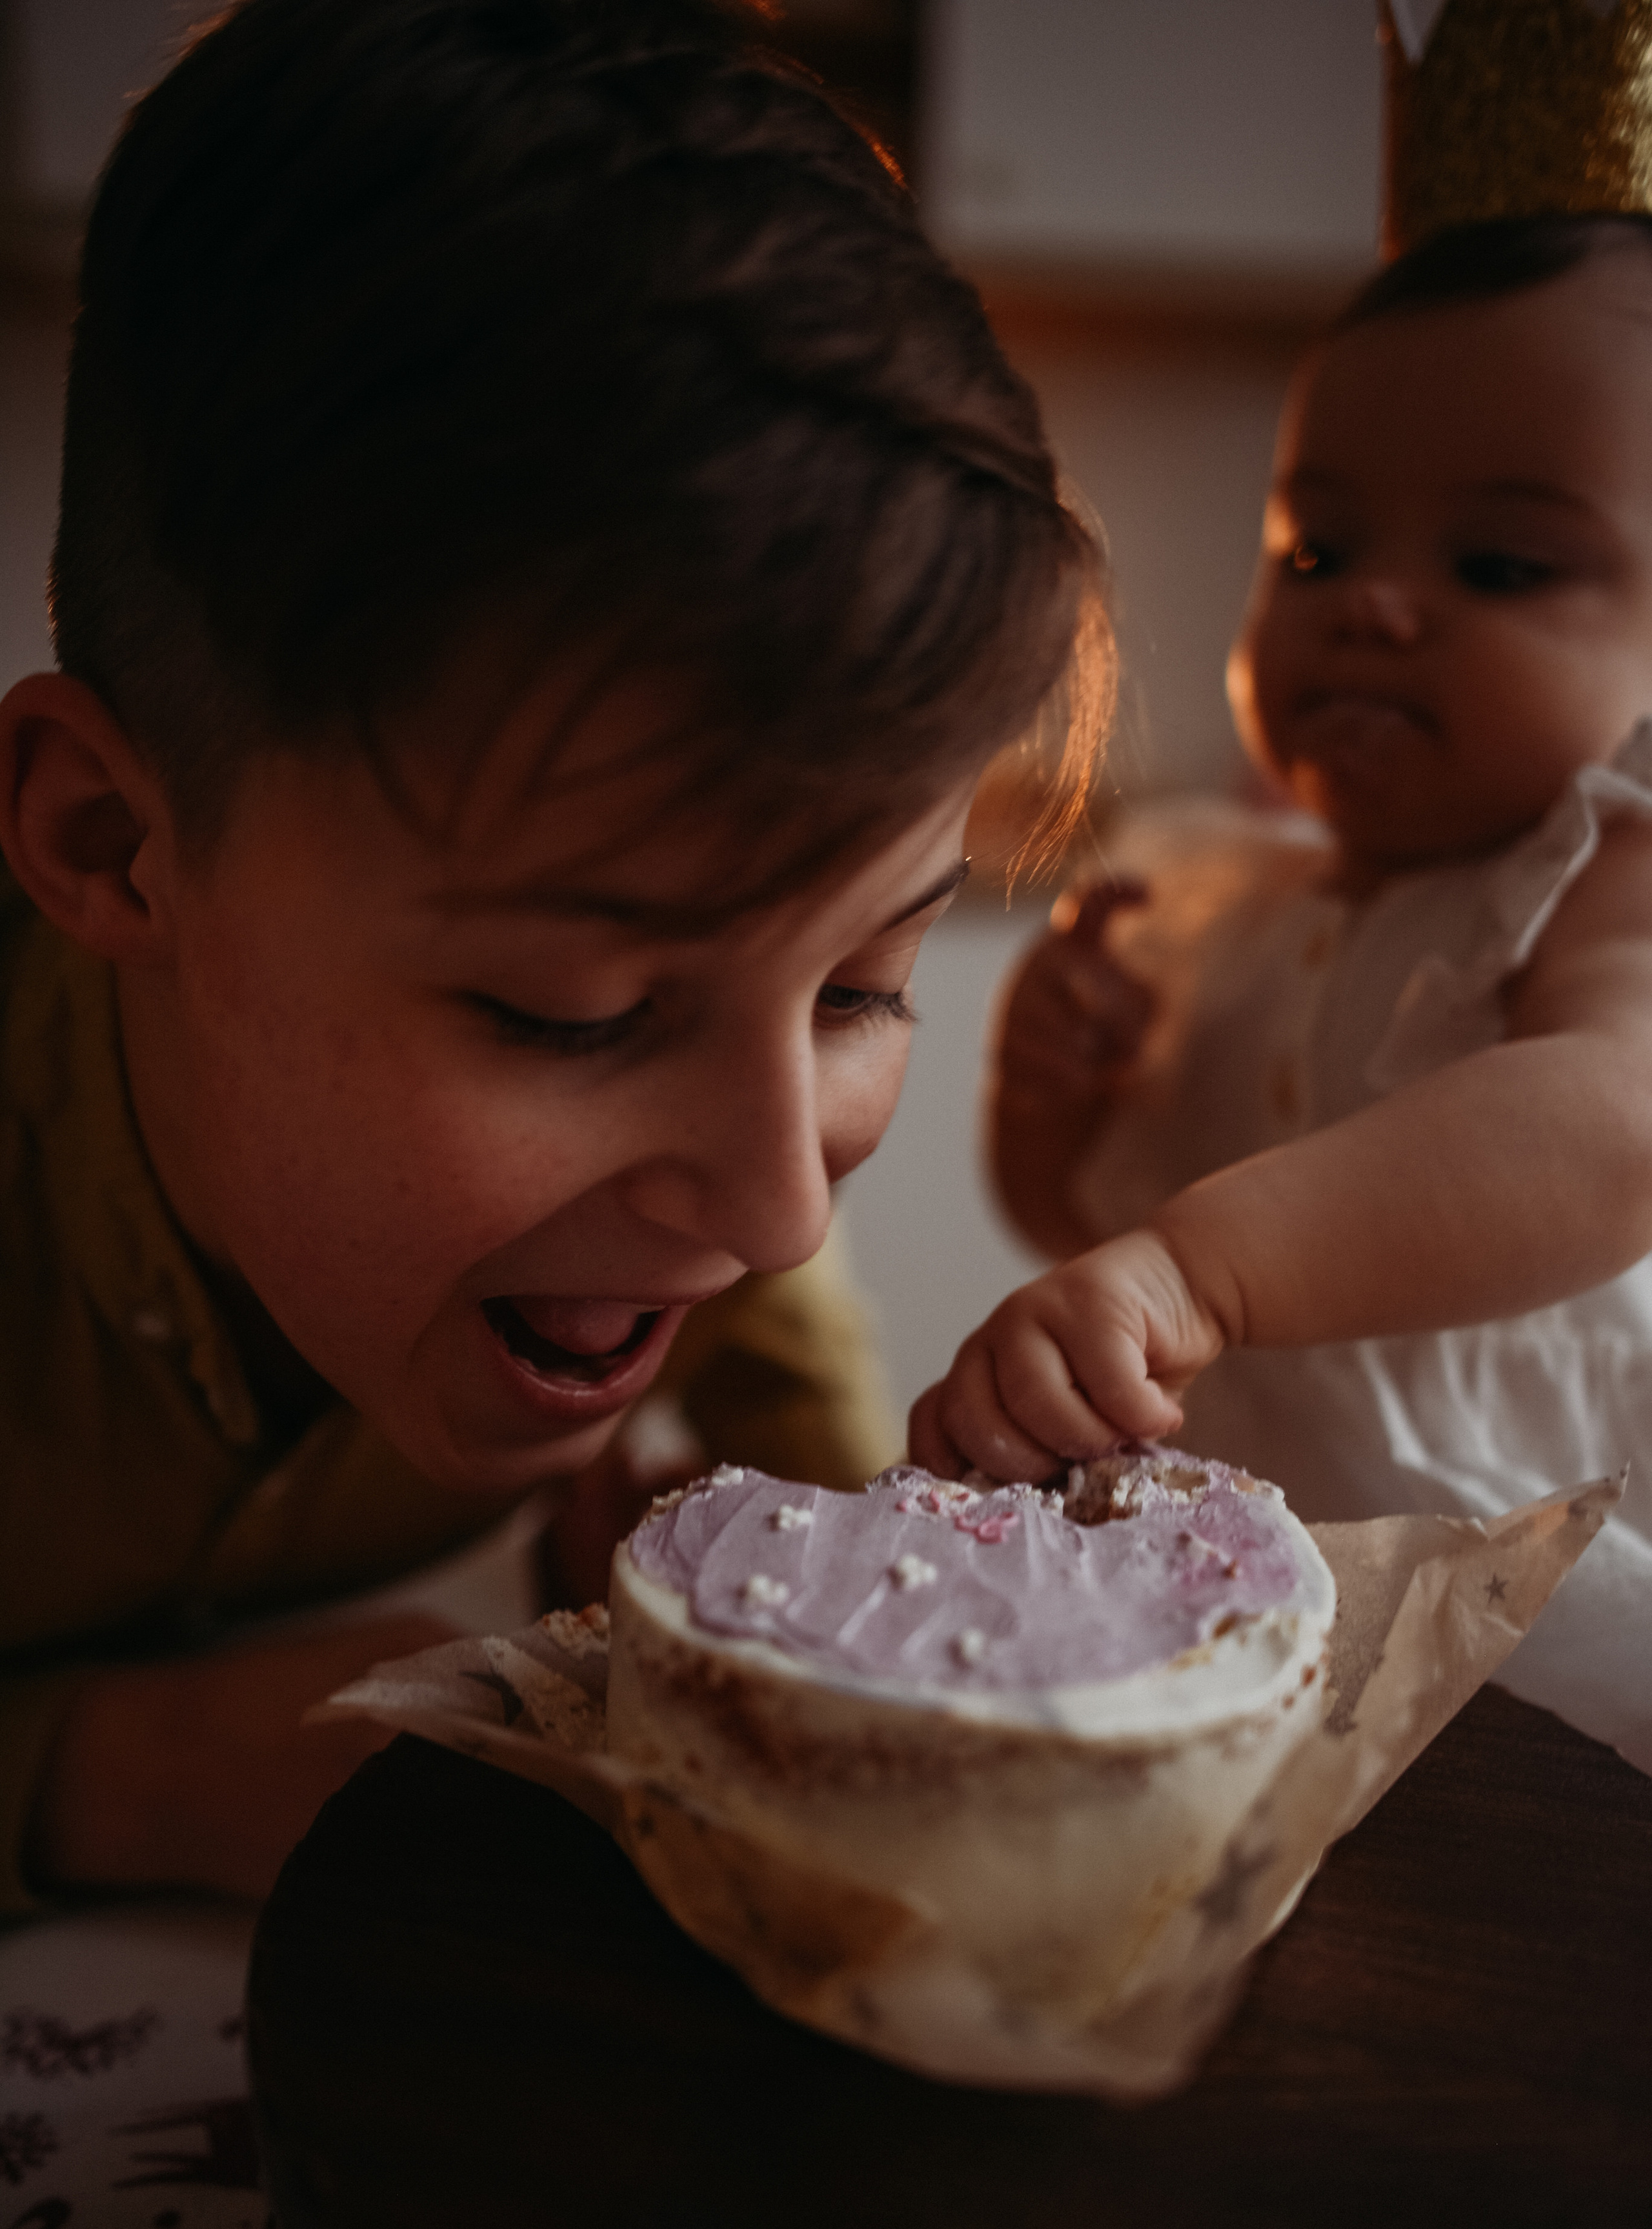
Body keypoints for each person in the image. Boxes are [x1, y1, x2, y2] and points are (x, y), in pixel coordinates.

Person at [0, 0, 1107, 1911]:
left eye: (863, 988)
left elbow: (799, 1376)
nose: (774, 1209)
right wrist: (130, 1773)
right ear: (111, 846)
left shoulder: (688, 1213)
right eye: (573, 1017)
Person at [912, 216, 1652, 1767]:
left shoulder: (1601, 876)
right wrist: (1048, 1118)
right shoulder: (1211, 894)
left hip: (1521, 1611)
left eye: (1499, 563)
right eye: (1315, 549)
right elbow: (1092, 1243)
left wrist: (1188, 1273)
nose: (1368, 604)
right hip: (1231, 1613)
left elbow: (1610, 1124)